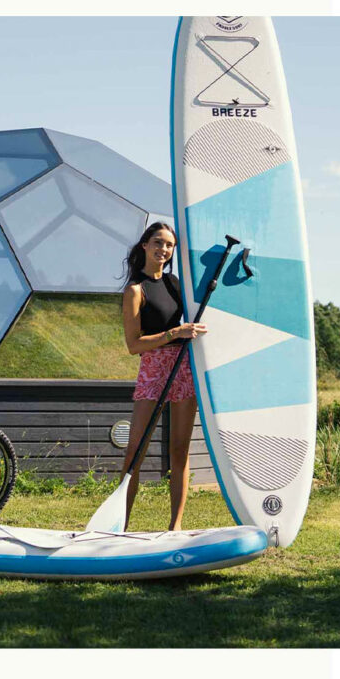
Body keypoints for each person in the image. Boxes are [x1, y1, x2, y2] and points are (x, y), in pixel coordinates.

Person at [119, 221, 206, 530]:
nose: (163, 249)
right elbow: (133, 345)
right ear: (145, 245)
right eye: (158, 242)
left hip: (182, 365)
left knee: (180, 450)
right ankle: (119, 525)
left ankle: (175, 526)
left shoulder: (174, 283)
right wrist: (174, 333)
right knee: (135, 451)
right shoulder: (135, 290)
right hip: (154, 367)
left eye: (169, 245)